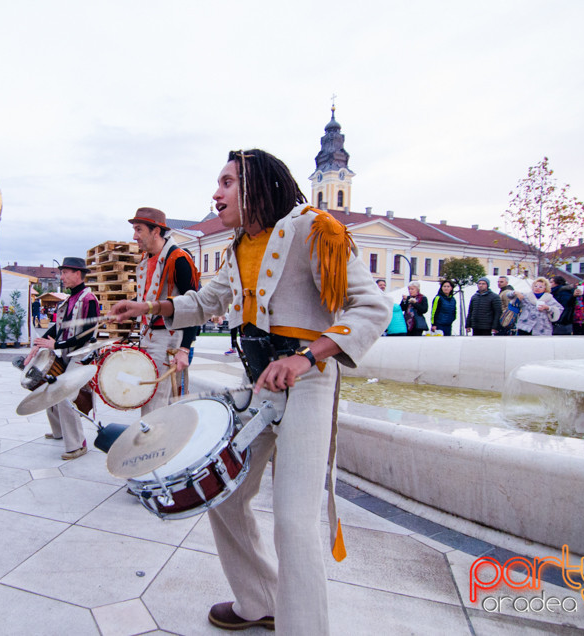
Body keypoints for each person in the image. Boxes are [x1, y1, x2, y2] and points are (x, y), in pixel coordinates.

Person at [110, 149, 389, 634]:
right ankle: (259, 599)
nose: (215, 193)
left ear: (257, 183)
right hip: (257, 387)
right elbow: (206, 301)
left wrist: (305, 356)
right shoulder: (240, 245)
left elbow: (371, 308)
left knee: (293, 521)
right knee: (224, 495)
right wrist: (147, 307)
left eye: (226, 182)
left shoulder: (316, 228)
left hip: (308, 384)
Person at [23, 257, 99, 460]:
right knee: (48, 387)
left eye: (65, 272)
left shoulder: (89, 299)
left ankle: (78, 444)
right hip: (67, 353)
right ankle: (59, 431)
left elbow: (86, 333)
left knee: (65, 395)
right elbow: (57, 329)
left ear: (78, 274)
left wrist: (56, 345)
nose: (62, 276)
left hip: (81, 356)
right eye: (62, 272)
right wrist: (38, 344)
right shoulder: (68, 301)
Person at [128, 207, 200, 413]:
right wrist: (129, 307)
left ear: (156, 231)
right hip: (148, 336)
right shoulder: (145, 260)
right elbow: (149, 299)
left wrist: (185, 348)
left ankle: (154, 444)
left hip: (170, 339)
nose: (134, 236)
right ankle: (156, 442)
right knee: (150, 398)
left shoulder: (179, 258)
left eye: (139, 229)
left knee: (159, 402)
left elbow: (194, 306)